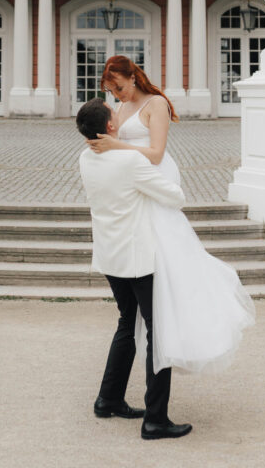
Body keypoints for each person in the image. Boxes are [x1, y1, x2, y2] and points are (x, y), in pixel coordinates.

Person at [86, 55, 255, 375]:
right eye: (111, 91)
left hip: (154, 175)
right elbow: (113, 144)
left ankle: (175, 323)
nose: (117, 95)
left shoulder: (156, 104)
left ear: (133, 78)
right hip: (134, 183)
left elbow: (156, 152)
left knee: (169, 257)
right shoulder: (120, 109)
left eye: (118, 87)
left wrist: (114, 148)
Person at [77, 97, 192, 441]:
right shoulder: (130, 161)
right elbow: (175, 197)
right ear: (110, 127)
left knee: (127, 323)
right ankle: (155, 419)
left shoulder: (84, 157)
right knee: (159, 332)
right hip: (139, 258)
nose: (120, 116)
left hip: (110, 256)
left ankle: (108, 399)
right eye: (115, 115)